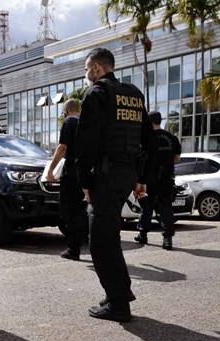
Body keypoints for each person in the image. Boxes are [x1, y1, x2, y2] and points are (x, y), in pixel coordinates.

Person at [75, 48, 157, 323]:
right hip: (126, 175)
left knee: (101, 242)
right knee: (109, 236)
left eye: (87, 69)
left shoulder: (96, 94)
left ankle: (119, 303)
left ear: (97, 68)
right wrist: (141, 178)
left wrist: (85, 182)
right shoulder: (133, 94)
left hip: (105, 176)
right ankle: (116, 295)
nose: (86, 75)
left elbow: (85, 144)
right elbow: (148, 140)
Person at [47, 99, 87, 261]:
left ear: (66, 111)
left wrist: (50, 169)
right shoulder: (87, 123)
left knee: (68, 210)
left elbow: (62, 147)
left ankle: (73, 248)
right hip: (87, 172)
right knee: (82, 209)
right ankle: (85, 241)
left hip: (72, 173)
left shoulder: (69, 122)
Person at [134, 111, 181, 250]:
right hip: (165, 178)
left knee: (144, 207)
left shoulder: (143, 137)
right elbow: (177, 158)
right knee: (166, 207)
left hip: (143, 180)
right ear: (160, 120)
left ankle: (142, 234)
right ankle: (167, 239)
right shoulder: (172, 138)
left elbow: (137, 157)